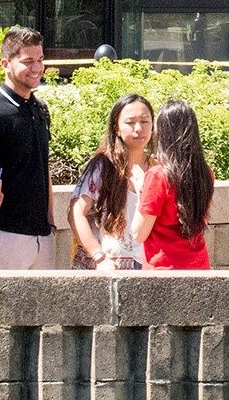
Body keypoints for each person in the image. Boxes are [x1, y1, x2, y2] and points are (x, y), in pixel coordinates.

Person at [0, 26, 60, 270]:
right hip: (5, 236)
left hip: (43, 237)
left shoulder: (40, 108)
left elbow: (43, 169)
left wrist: (51, 224)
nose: (37, 68)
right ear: (5, 64)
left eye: (40, 60)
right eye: (28, 62)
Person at [70, 94, 155, 271]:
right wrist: (99, 257)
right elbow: (76, 213)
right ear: (116, 128)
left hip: (147, 266)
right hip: (108, 267)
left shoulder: (157, 168)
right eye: (130, 122)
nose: (139, 128)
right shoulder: (103, 166)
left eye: (145, 121)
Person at [134, 101, 217, 271]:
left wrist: (140, 189)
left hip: (164, 271)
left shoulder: (158, 176)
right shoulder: (206, 172)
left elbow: (138, 233)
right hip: (200, 267)